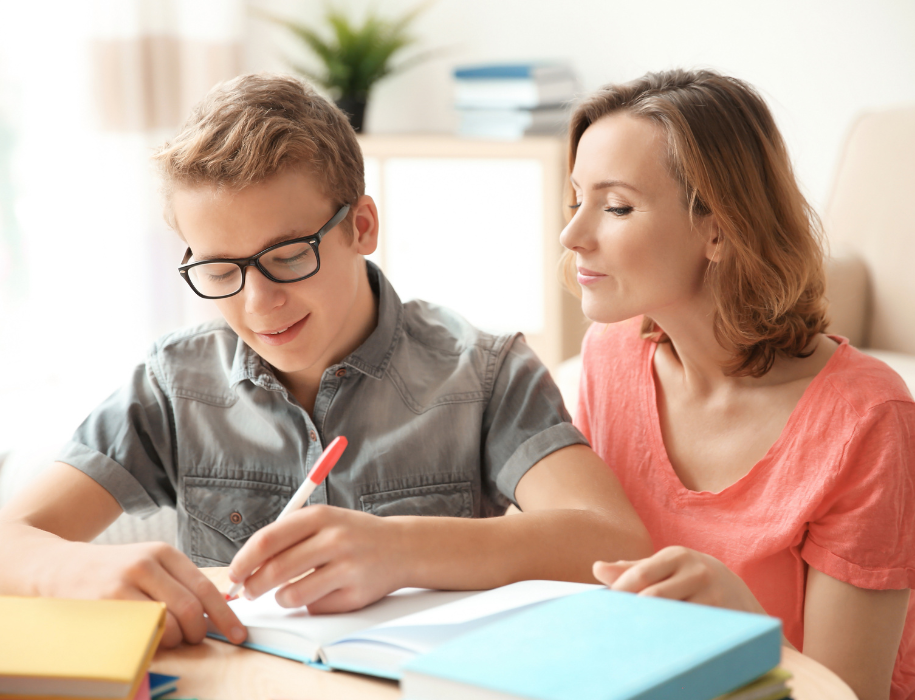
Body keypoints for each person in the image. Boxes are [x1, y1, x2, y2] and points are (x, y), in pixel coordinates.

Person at [0, 74, 652, 650]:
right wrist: (77, 569)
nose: (259, 303)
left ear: (361, 226)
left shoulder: (483, 372)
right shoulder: (175, 384)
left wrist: (402, 550)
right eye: (221, 269)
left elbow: (612, 541)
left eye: (287, 257)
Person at [560, 68, 915, 700]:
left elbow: (849, 692)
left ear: (718, 228)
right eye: (575, 200)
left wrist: (744, 622)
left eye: (615, 206)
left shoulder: (869, 418)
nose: (573, 236)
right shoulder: (608, 357)